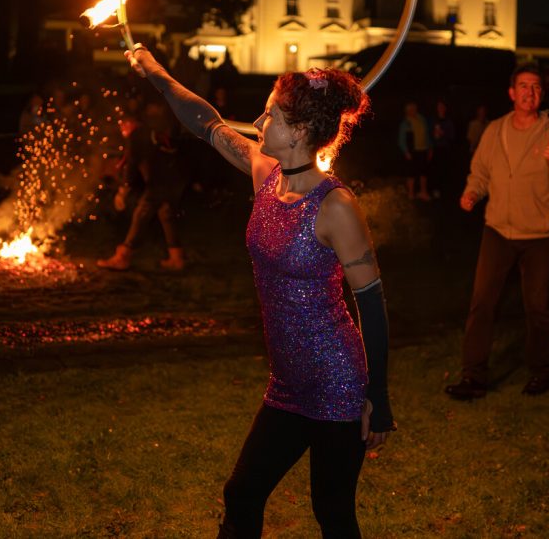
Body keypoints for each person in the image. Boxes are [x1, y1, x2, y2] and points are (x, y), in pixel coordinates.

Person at [125, 44, 395, 538]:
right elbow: (206, 123)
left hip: (336, 383)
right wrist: (156, 73)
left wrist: (376, 394)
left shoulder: (336, 207)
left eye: (268, 114)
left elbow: (371, 303)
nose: (257, 120)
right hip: (287, 384)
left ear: (297, 132)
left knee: (332, 512)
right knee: (242, 492)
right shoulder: (266, 175)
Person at [446, 62, 549, 400]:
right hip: (498, 231)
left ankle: (541, 369)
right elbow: (480, 170)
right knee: (482, 303)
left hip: (540, 235)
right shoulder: (495, 130)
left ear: (542, 94)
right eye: (524, 86)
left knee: (536, 306)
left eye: (536, 87)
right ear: (512, 92)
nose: (529, 92)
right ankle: (474, 375)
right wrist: (473, 192)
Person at [96, 100, 189, 271]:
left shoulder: (136, 135)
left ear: (129, 123)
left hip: (160, 182)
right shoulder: (150, 132)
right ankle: (177, 258)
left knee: (141, 214)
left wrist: (124, 190)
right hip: (176, 179)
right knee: (166, 214)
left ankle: (123, 256)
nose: (121, 130)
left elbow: (132, 164)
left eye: (122, 125)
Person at [397, 101, 431, 200]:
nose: (413, 111)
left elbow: (426, 134)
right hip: (412, 151)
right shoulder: (405, 123)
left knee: (424, 173)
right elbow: (401, 140)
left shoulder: (422, 119)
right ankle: (411, 193)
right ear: (407, 111)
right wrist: (406, 151)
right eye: (410, 109)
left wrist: (430, 147)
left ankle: (423, 192)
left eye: (414, 109)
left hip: (423, 149)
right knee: (411, 173)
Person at [429, 99, 456, 198]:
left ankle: (444, 189)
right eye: (438, 107)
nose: (440, 109)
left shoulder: (448, 121)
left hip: (445, 149)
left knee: (444, 169)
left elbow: (452, 136)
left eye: (442, 107)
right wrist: (433, 137)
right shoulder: (433, 120)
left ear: (445, 108)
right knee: (435, 169)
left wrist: (443, 134)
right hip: (435, 149)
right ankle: (435, 189)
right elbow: (429, 135)